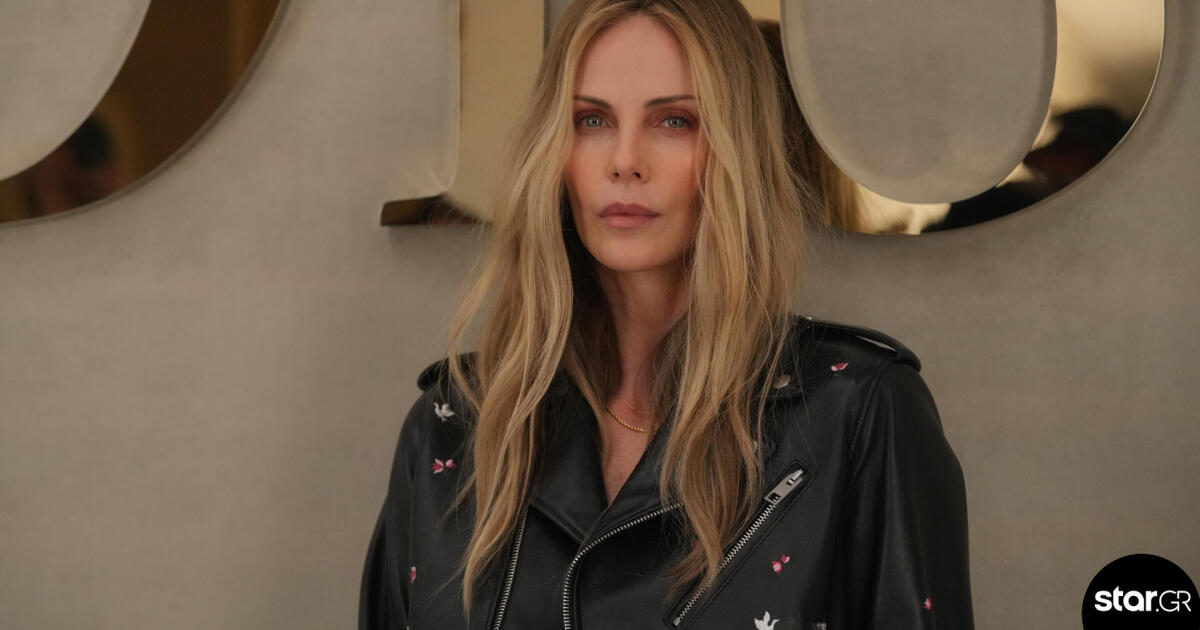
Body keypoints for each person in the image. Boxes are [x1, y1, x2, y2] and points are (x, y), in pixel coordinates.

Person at [359, 1, 974, 628]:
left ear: (737, 147)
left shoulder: (861, 411)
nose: (624, 160)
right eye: (592, 119)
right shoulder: (452, 423)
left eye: (674, 121)